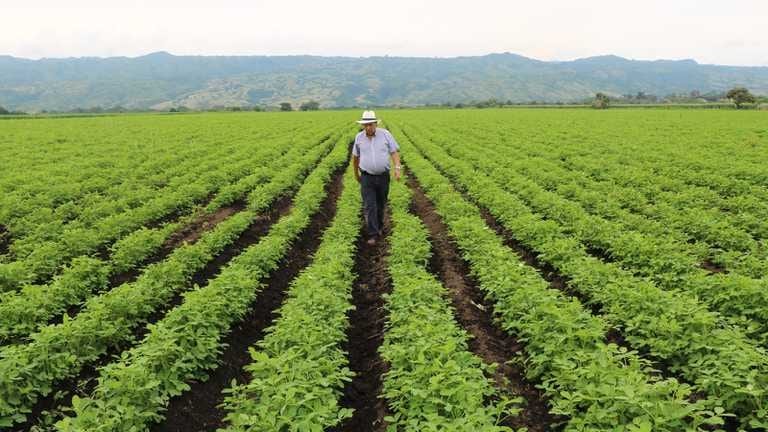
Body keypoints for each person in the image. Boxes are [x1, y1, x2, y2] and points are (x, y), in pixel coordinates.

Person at [352, 110, 401, 245]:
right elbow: (355, 158)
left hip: (383, 177)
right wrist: (356, 174)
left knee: (380, 204)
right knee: (369, 205)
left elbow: (394, 152)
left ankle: (379, 227)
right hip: (367, 177)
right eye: (366, 125)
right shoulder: (359, 138)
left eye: (371, 124)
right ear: (363, 125)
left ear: (375, 124)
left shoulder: (385, 135)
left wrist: (397, 168)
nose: (369, 127)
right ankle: (373, 234)